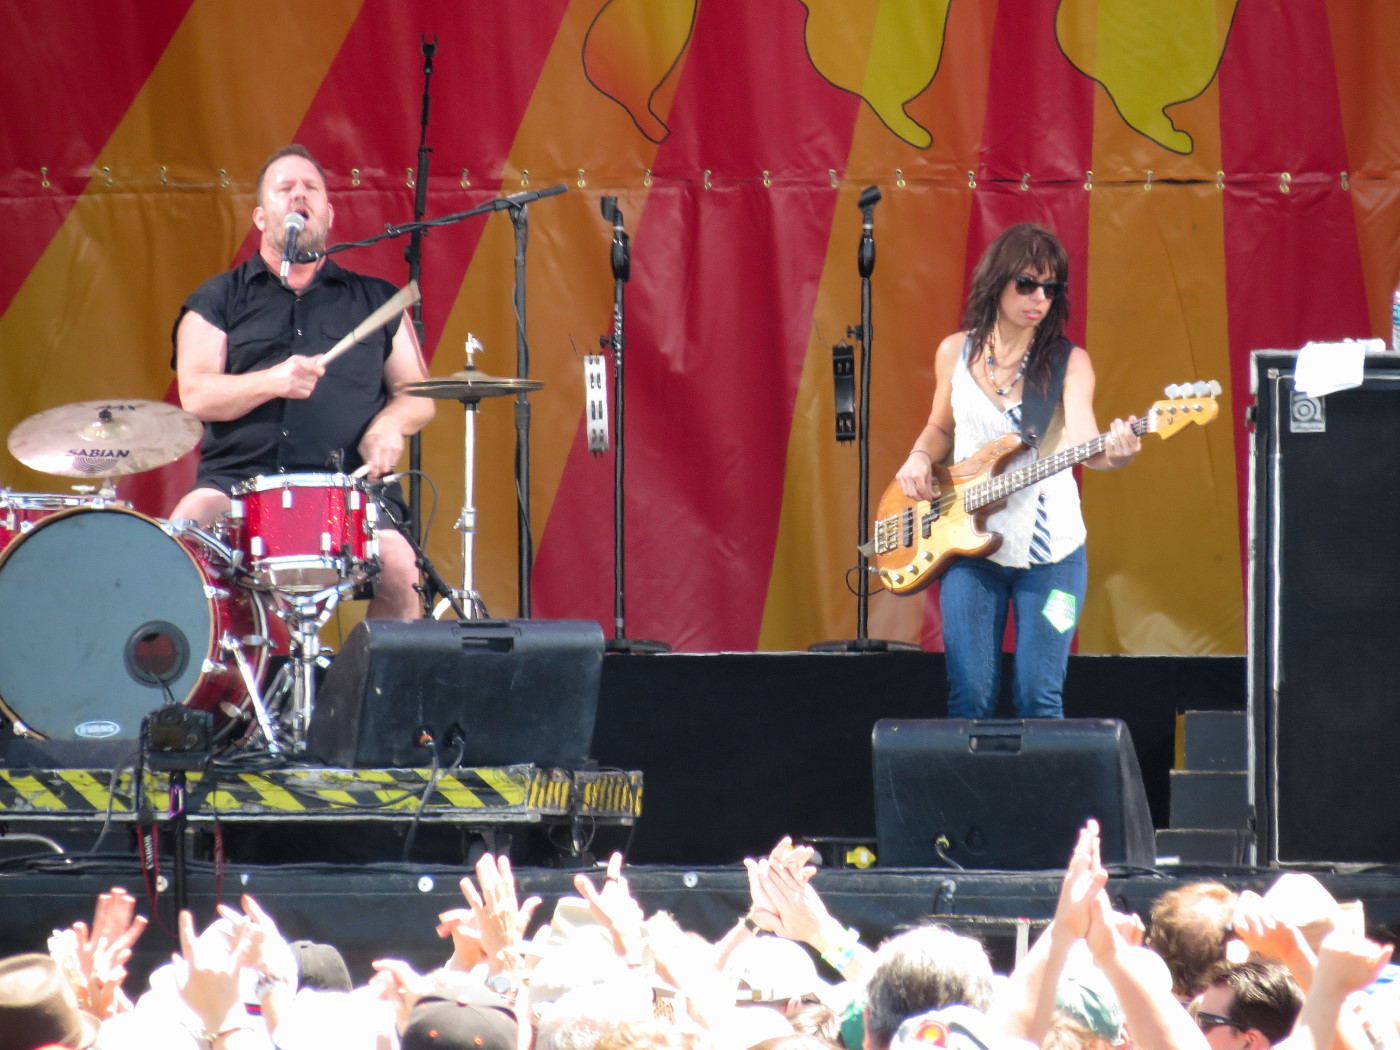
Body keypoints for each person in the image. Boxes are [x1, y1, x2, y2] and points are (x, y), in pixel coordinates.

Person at [170, 144, 434, 619]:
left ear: (328, 214)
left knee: (400, 567)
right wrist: (272, 381)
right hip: (237, 486)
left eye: (310, 188)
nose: (299, 196)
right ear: (260, 215)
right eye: (285, 188)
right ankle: (210, 684)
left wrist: (391, 426)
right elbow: (196, 393)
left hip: (352, 491)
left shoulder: (376, 301)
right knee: (182, 534)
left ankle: (371, 692)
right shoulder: (218, 298)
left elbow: (417, 393)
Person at [893, 222, 1140, 719]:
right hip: (966, 546)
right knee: (970, 698)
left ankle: (1043, 800)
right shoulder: (954, 352)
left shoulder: (1069, 364)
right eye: (1026, 283)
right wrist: (919, 456)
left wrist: (1121, 451)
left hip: (1054, 556)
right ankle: (971, 798)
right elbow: (940, 427)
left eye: (1051, 288)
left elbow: (1090, 445)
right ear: (997, 281)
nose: (1039, 297)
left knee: (1038, 697)